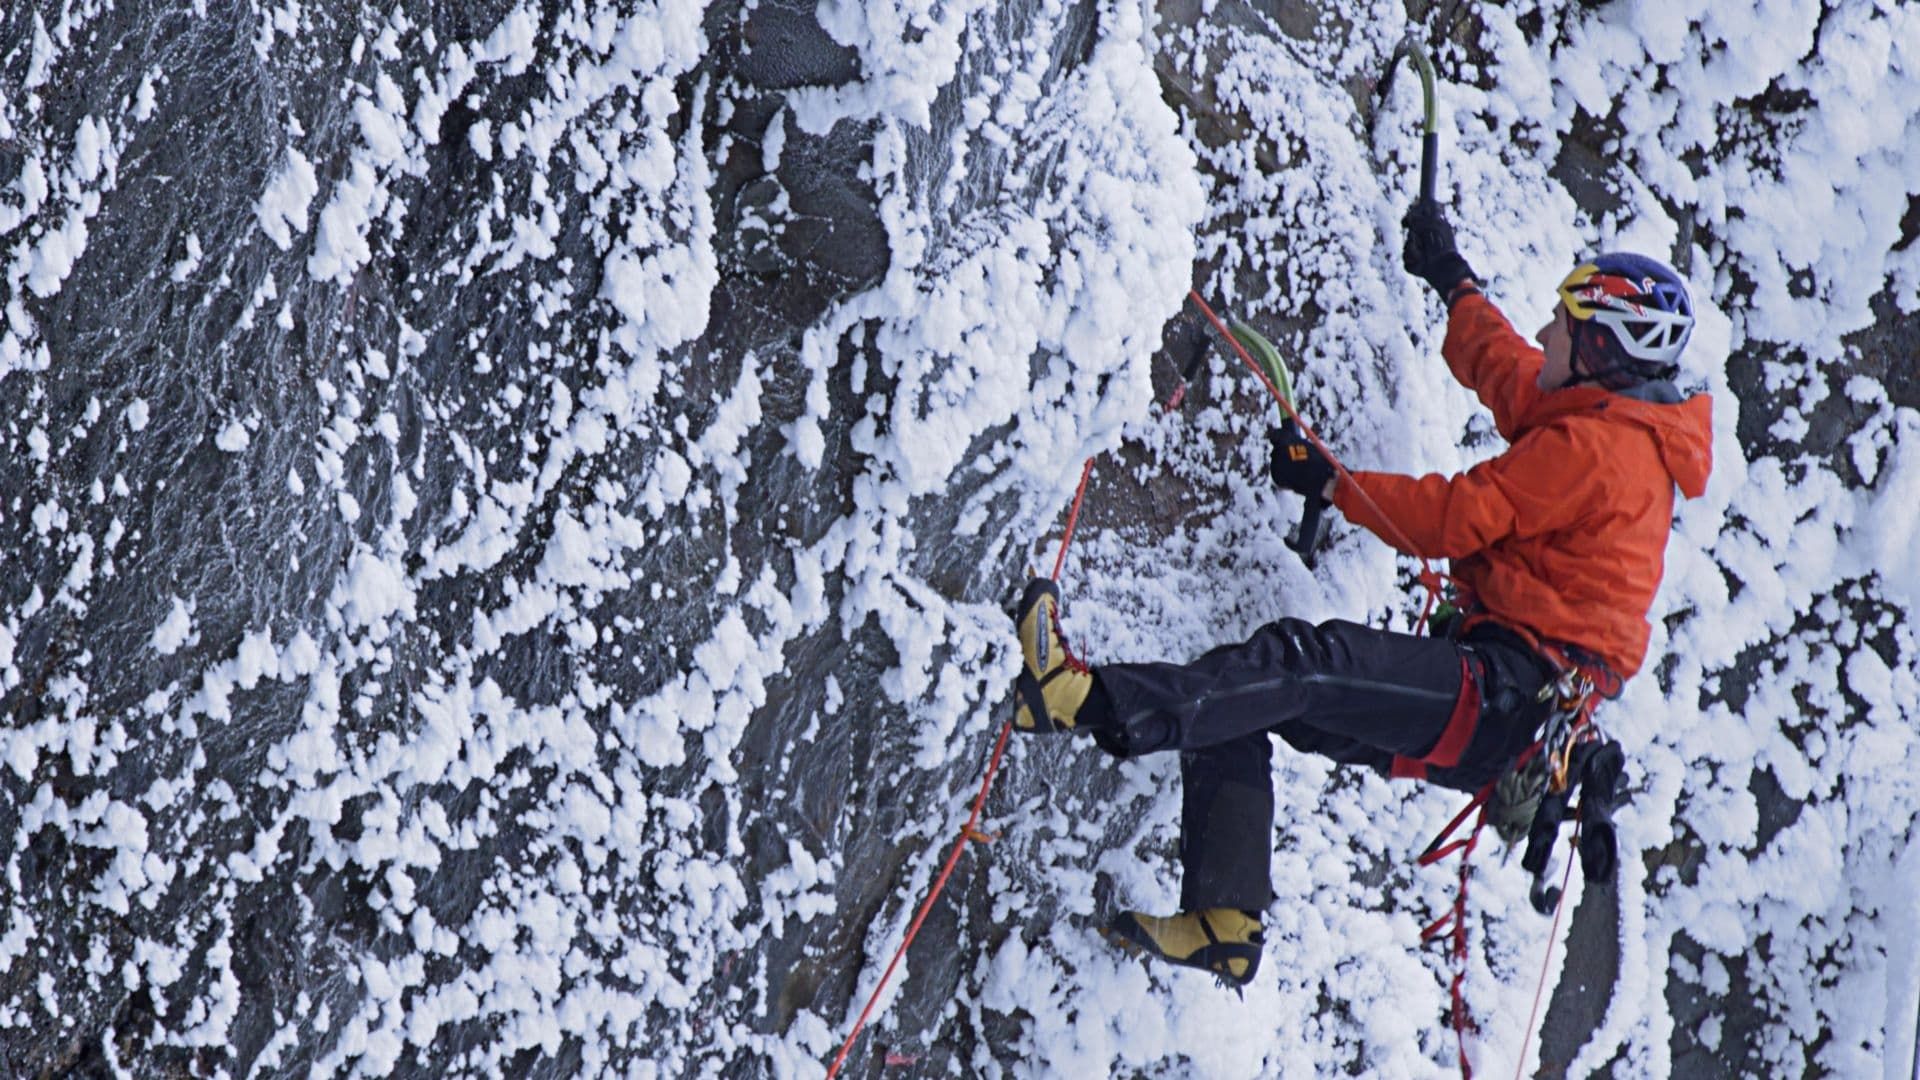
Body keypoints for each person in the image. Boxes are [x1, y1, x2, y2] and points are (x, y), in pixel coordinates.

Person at [1008, 202, 1714, 987]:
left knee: (1297, 665)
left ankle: (1076, 699)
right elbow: (1513, 375)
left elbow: (1456, 517)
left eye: (1562, 322)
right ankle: (1225, 919)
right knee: (1256, 688)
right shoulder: (1604, 418)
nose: (1546, 331)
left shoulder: (1600, 450)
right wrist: (1454, 281)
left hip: (1504, 698)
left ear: (1596, 349)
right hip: (1505, 705)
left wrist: (1333, 482)